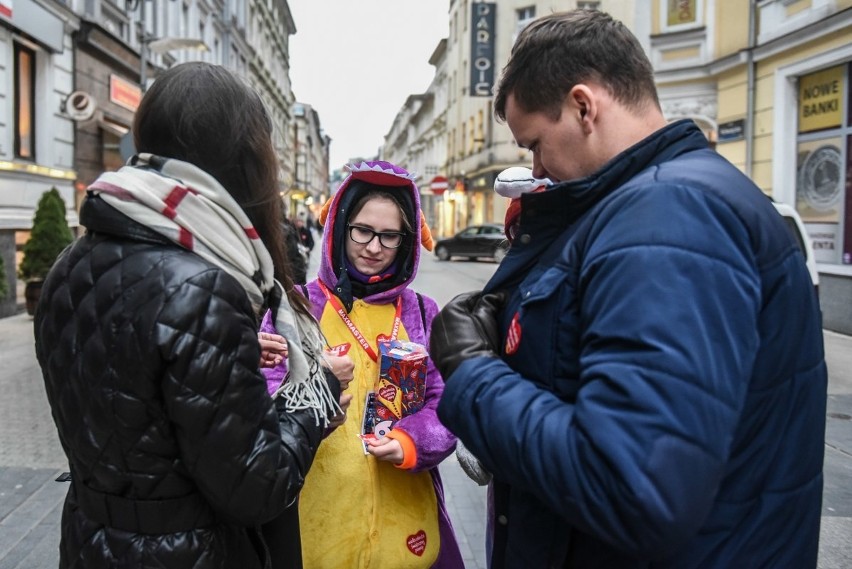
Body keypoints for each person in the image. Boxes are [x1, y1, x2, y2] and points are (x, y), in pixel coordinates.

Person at [430, 10, 827, 569]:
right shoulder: (654, 203)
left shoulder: (668, 215)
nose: (538, 166)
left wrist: (472, 371)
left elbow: (636, 487)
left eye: (536, 144)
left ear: (584, 106)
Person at [33, 62, 347, 569]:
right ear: (245, 162)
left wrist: (232, 357)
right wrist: (318, 394)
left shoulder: (72, 262)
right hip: (185, 551)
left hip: (92, 540)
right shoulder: (202, 285)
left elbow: (131, 394)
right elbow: (256, 487)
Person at [260, 160, 464, 568]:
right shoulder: (297, 307)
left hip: (405, 526)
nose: (374, 248)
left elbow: (448, 405)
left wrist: (412, 442)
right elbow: (264, 406)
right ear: (339, 227)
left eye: (390, 237)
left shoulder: (422, 312)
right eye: (363, 231)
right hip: (316, 522)